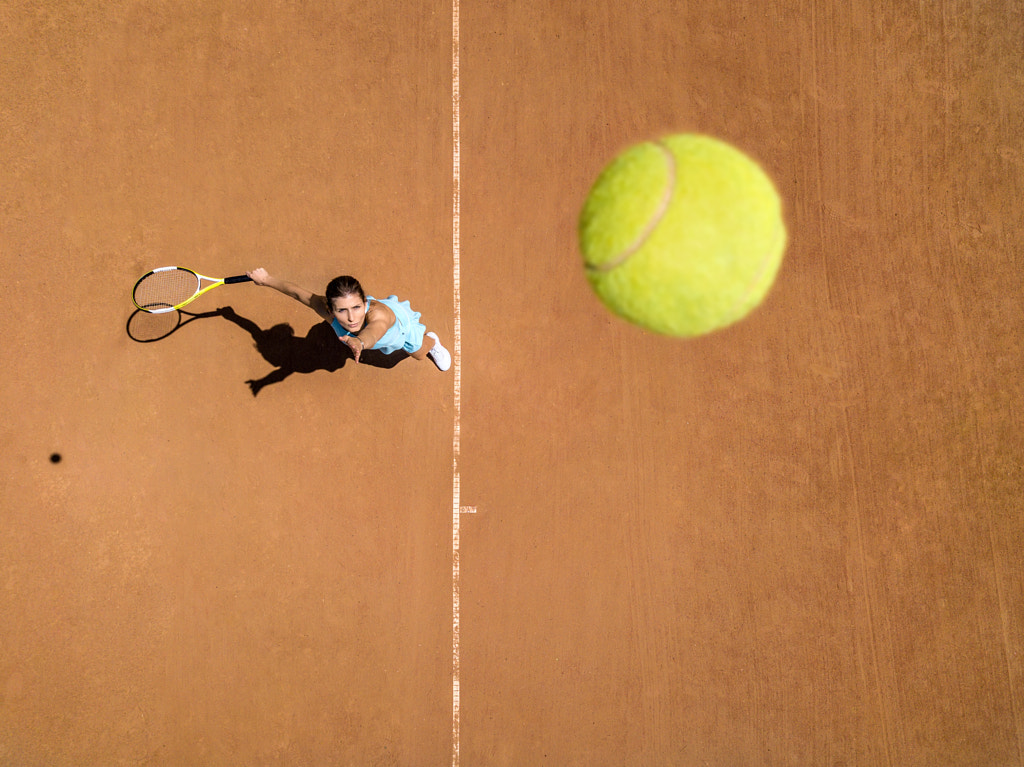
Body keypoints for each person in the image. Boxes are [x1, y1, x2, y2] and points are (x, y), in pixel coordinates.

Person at [246, 267, 451, 371]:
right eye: (342, 310)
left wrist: (359, 341)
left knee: (418, 353)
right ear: (330, 309)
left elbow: (375, 331)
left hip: (400, 331)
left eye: (356, 307)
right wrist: (265, 279)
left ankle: (432, 341)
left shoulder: (380, 315)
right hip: (360, 340)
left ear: (364, 301)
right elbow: (299, 294)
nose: (352, 317)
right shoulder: (326, 310)